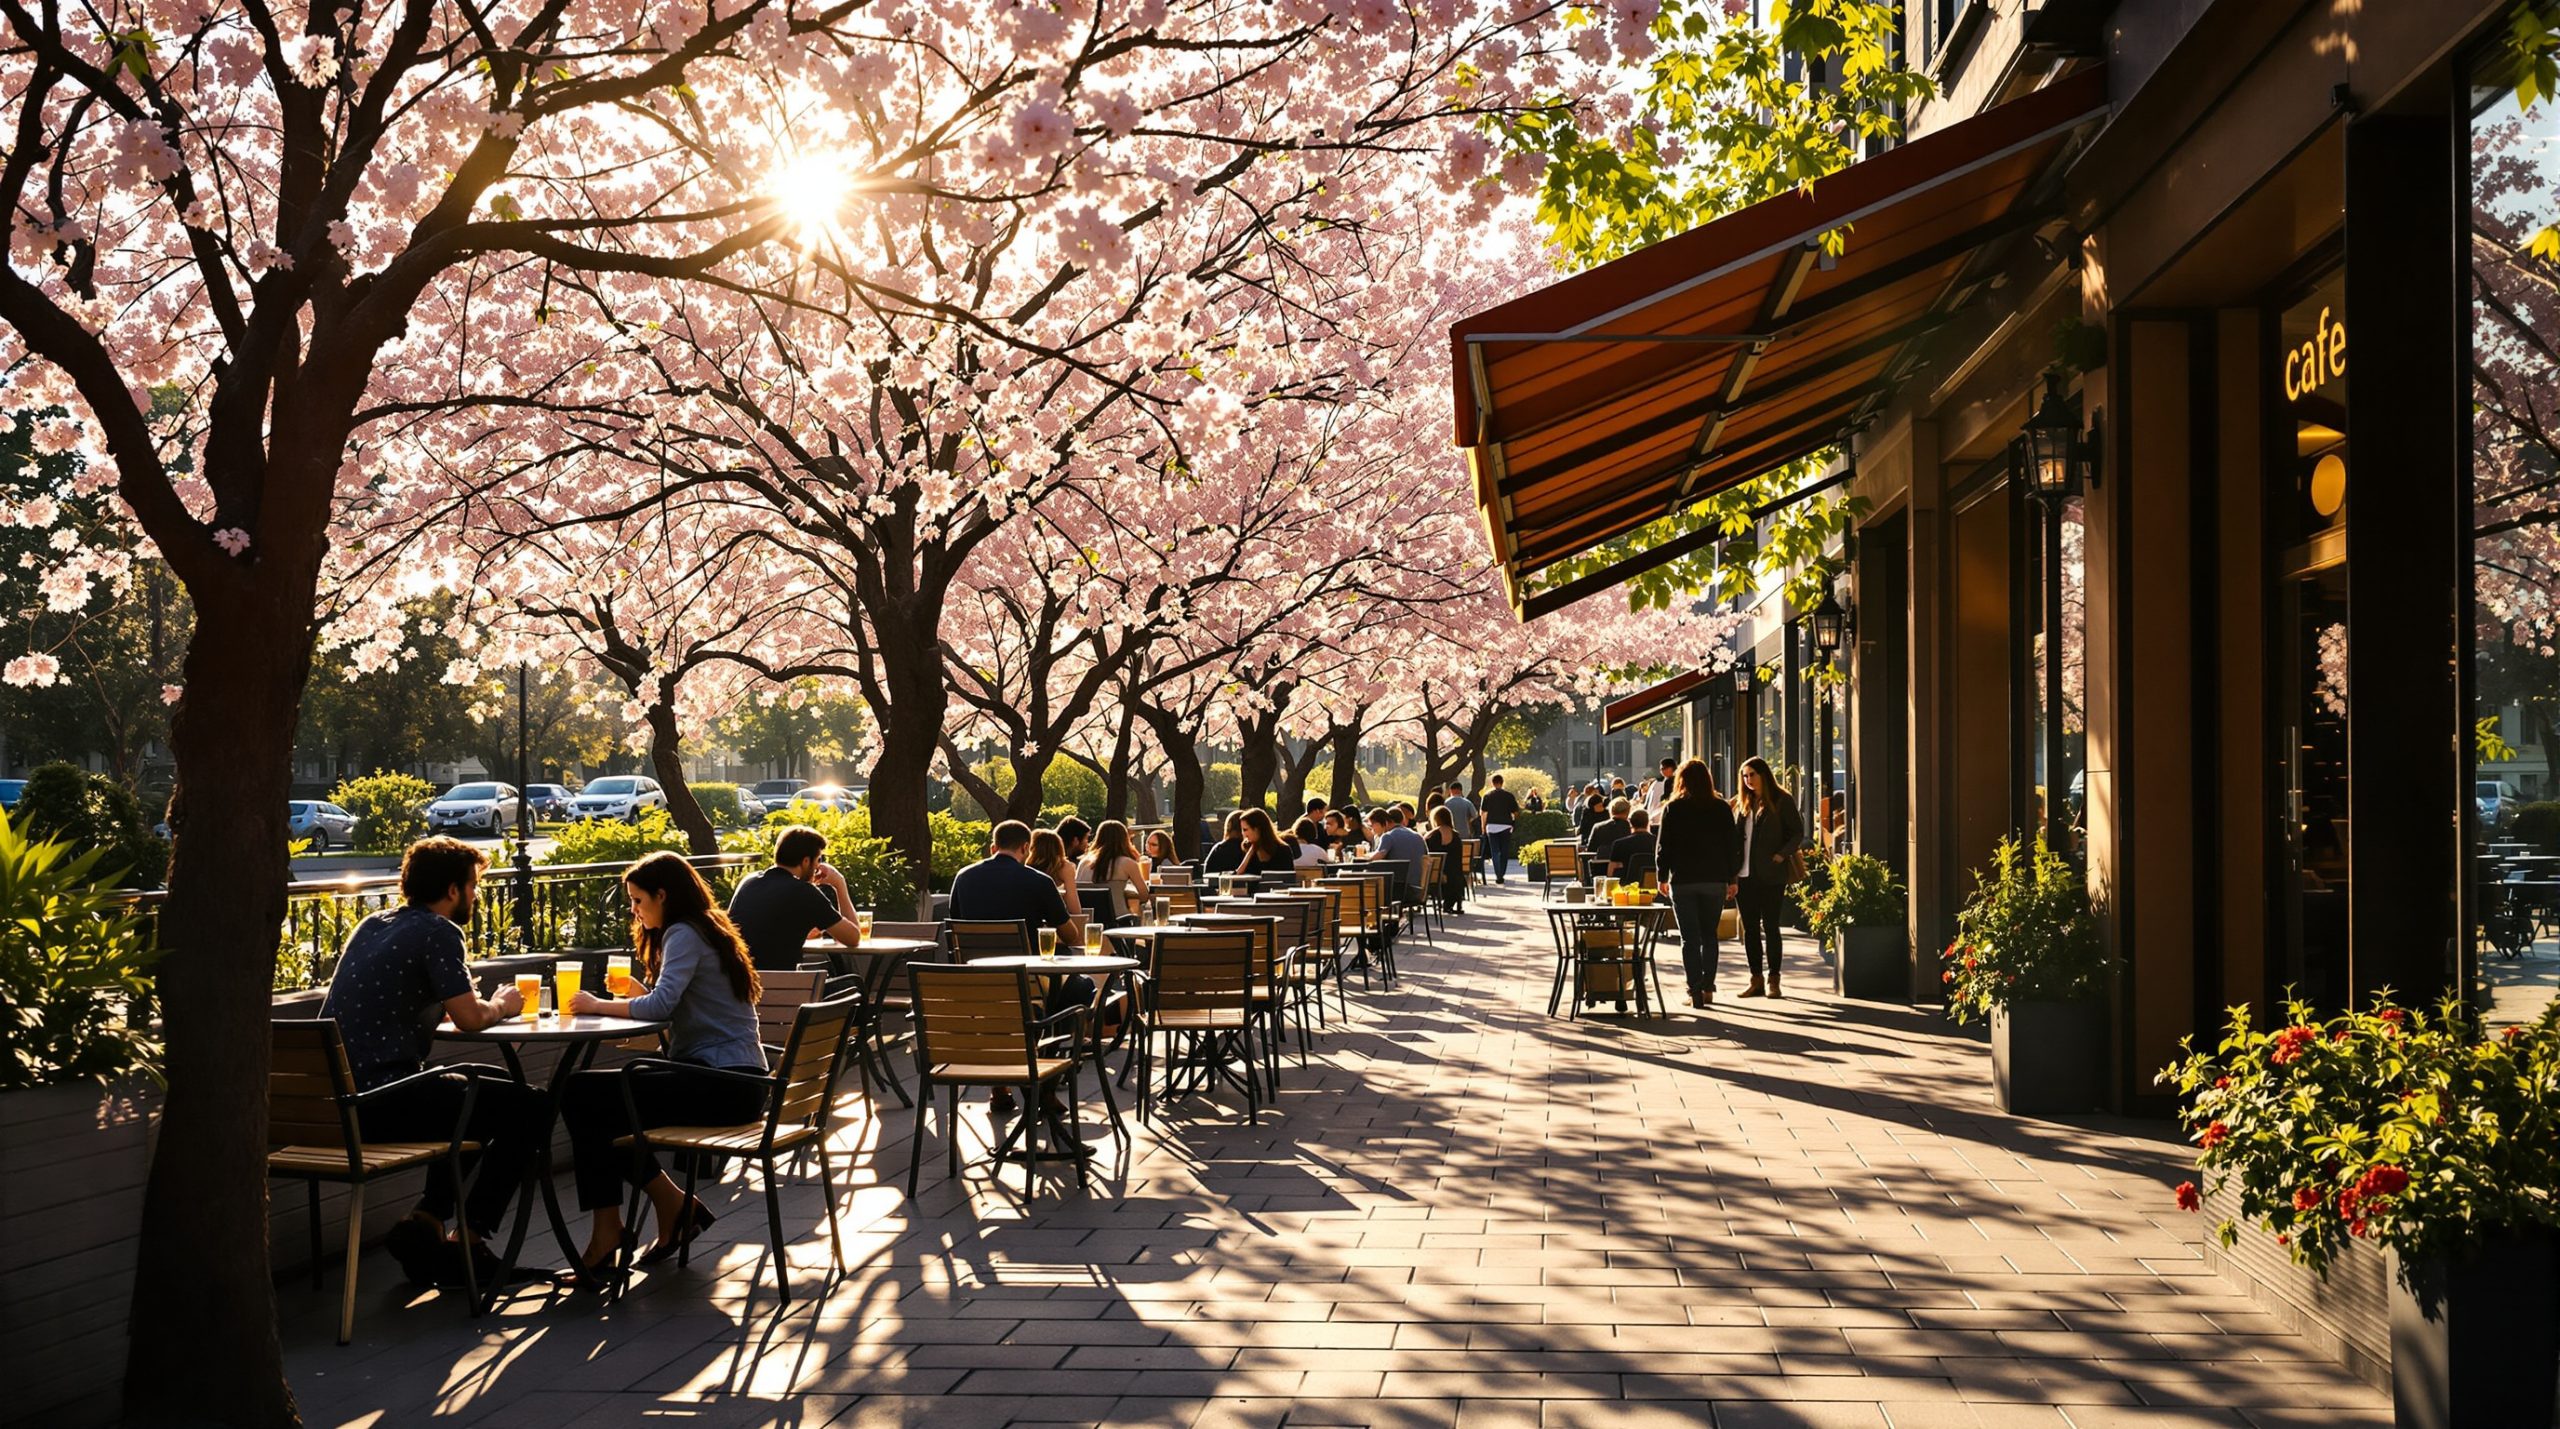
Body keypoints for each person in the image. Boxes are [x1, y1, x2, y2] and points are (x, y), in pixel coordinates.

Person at [319, 837, 542, 1288]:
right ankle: (470, 1241)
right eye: (474, 886)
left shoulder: (372, 924)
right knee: (529, 1107)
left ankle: (428, 1221)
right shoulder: (440, 931)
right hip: (382, 1103)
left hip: (335, 1105)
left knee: (488, 1088)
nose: (476, 895)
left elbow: (400, 998)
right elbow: (471, 1017)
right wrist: (502, 1005)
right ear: (454, 890)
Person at [560, 852, 768, 1288]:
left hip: (724, 1084)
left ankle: (619, 1227)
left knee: (583, 1096)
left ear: (663, 895)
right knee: (592, 1100)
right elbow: (672, 1002)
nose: (634, 911)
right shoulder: (706, 928)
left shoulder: (683, 934)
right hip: (738, 1079)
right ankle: (665, 1206)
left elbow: (660, 1007)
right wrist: (640, 995)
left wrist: (599, 1005)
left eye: (638, 900)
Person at [948, 821, 1095, 1148]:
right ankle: (1044, 1080)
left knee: (1028, 1001)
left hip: (978, 986)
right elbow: (1070, 935)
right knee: (1080, 990)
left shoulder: (964, 878)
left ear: (993, 847)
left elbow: (955, 927)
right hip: (1028, 986)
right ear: (1026, 849)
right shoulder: (1038, 881)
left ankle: (1000, 1086)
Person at [1653, 759, 1739, 1007]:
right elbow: (1732, 846)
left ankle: (1694, 990)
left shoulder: (1674, 808)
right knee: (1709, 936)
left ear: (1681, 780)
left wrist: (1662, 876)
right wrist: (1732, 878)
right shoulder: (1721, 808)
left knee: (1689, 938)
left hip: (1683, 879)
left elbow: (1663, 847)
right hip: (1714, 879)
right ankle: (1708, 986)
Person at [726, 825, 864, 972]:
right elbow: (853, 938)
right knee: (853, 985)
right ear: (805, 861)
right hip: (781, 988)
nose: (818, 866)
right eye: (818, 860)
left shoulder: (748, 883)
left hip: (736, 985)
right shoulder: (805, 893)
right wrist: (839, 884)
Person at [1733, 756, 1804, 999]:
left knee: (1771, 927)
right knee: (1750, 929)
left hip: (1772, 875)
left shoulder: (1781, 800)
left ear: (1763, 774)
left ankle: (1774, 979)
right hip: (1745, 874)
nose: (1748, 780)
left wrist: (1781, 855)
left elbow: (1797, 832)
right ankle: (1756, 979)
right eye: (1745, 776)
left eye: (1752, 774)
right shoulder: (1742, 804)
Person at [1083, 819, 1152, 925]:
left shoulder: (1084, 862)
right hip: (1118, 921)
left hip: (1089, 921)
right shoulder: (1127, 863)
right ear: (1124, 839)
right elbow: (1144, 896)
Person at [1028, 828, 1086, 940]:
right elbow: (1075, 910)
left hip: (1032, 932)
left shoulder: (1026, 870)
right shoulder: (1065, 868)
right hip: (1058, 931)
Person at [1368, 805, 1429, 896]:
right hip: (1417, 890)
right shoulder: (1418, 837)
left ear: (1387, 821)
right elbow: (1426, 858)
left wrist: (1364, 857)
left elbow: (1375, 858)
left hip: (1396, 891)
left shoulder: (1388, 836)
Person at [1479, 774, 1521, 883]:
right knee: (1504, 851)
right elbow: (1516, 812)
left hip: (1491, 826)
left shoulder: (1487, 796)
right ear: (1502, 783)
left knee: (1495, 851)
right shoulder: (1509, 796)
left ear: (1492, 783)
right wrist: (1513, 822)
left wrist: (1483, 827)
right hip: (1506, 826)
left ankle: (1498, 874)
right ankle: (1502, 872)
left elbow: (1483, 813)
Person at [1424, 805, 1466, 912]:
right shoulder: (1456, 836)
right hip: (1455, 877)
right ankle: (1451, 903)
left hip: (1436, 875)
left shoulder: (1431, 836)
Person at [1236, 807, 1294, 876]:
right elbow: (1237, 874)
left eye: (1245, 830)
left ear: (1257, 829)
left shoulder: (1283, 850)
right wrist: (1249, 854)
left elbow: (1288, 878)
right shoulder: (1245, 848)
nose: (1243, 834)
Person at [1607, 807, 1657, 884]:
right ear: (1648, 823)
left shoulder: (1619, 844)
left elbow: (1612, 870)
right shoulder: (1657, 842)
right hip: (1654, 884)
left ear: (1630, 823)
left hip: (1627, 887)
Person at [1646, 756, 1678, 821]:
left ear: (1671, 768)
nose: (1662, 771)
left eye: (1664, 768)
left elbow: (1667, 797)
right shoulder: (1660, 782)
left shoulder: (1672, 781)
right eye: (1661, 769)